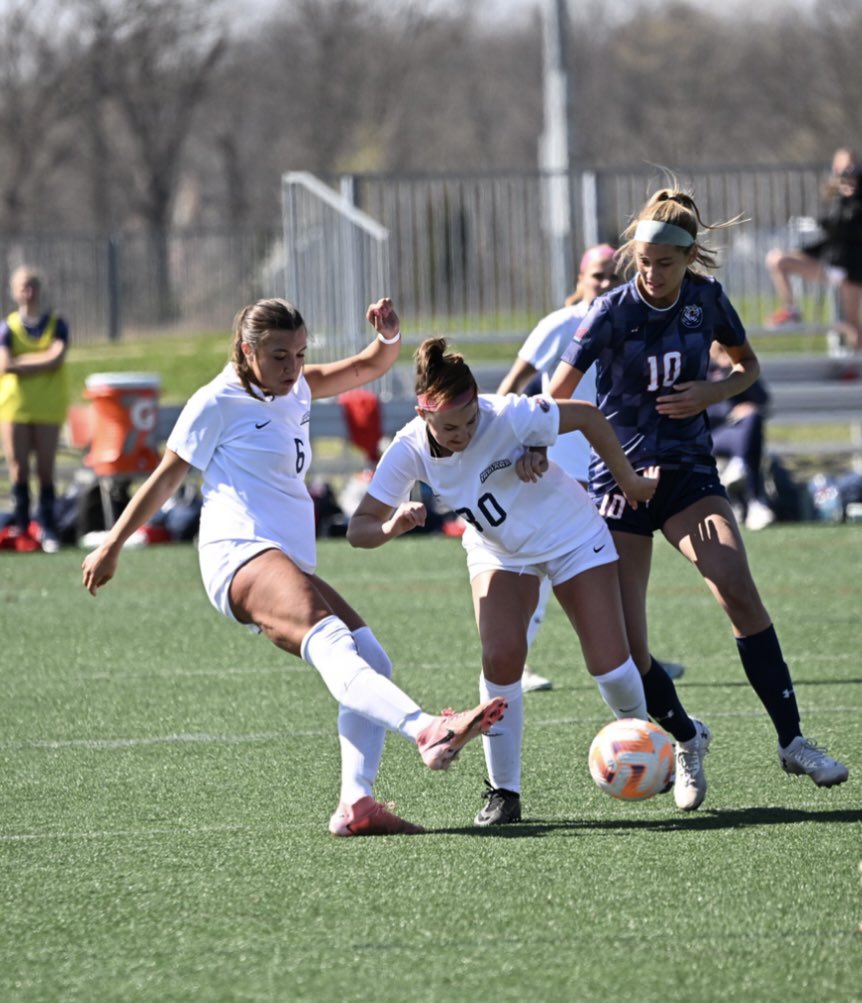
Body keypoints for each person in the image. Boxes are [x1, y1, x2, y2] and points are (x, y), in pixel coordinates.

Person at [81, 296, 507, 837]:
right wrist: (113, 544)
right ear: (246, 351)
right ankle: (428, 730)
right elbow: (166, 478)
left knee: (371, 654)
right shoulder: (217, 401)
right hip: (238, 553)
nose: (294, 368)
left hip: (284, 559)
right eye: (280, 356)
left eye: (301, 354)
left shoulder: (296, 385)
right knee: (332, 641)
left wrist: (389, 339)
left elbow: (365, 368)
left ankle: (357, 802)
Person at [548, 184, 849, 790]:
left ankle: (792, 740)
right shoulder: (609, 312)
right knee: (630, 654)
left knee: (736, 587)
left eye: (665, 263)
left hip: (688, 475)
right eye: (644, 262)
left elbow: (748, 367)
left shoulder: (707, 300)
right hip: (619, 484)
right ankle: (687, 738)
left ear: (689, 258)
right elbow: (557, 395)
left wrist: (710, 394)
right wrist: (537, 445)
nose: (652, 274)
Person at [347, 337, 712, 828]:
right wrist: (392, 526)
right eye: (451, 426)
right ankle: (504, 793)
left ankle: (661, 743)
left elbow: (585, 416)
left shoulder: (508, 414)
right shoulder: (408, 448)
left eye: (471, 420)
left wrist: (626, 481)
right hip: (499, 550)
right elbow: (358, 529)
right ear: (423, 413)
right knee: (501, 658)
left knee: (608, 665)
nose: (464, 433)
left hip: (571, 536)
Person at [496, 244, 684, 692]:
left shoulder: (630, 320)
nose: (604, 285)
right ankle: (516, 663)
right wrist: (510, 440)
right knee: (538, 563)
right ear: (580, 281)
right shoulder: (559, 325)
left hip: (610, 466)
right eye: (597, 276)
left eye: (612, 277)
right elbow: (512, 385)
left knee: (615, 564)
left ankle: (636, 657)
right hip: (556, 466)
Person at [765, 147, 862, 356]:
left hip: (853, 269)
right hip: (830, 263)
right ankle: (790, 309)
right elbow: (830, 236)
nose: (848, 173)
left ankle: (855, 364)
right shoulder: (836, 195)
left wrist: (851, 198)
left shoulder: (856, 197)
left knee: (852, 324)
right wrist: (803, 253)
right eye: (844, 168)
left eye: (852, 167)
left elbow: (848, 229)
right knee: (778, 259)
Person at [0, 265, 70, 553]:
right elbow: (5, 364)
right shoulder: (7, 327)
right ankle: (21, 526)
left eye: (32, 286)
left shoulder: (57, 323)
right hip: (15, 406)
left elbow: (56, 358)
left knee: (45, 469)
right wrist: (36, 362)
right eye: (23, 287)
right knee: (18, 468)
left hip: (47, 407)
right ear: (14, 292)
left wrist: (21, 362)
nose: (28, 292)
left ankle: (47, 527)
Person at [708, 342, 775, 531]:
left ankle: (739, 467)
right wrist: (730, 412)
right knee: (751, 442)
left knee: (753, 420)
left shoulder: (737, 368)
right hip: (713, 434)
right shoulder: (701, 368)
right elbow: (702, 408)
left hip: (741, 432)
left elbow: (762, 398)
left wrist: (732, 370)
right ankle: (756, 501)